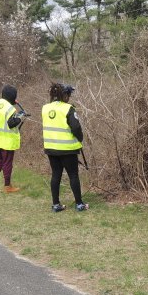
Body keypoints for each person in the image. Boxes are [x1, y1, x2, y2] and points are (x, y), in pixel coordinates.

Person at [42, 83, 88, 212]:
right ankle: (79, 204)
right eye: (69, 95)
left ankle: (56, 205)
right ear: (65, 95)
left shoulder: (45, 108)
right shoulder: (68, 108)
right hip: (67, 148)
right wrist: (80, 138)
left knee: (56, 175)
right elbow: (76, 127)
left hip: (51, 148)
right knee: (73, 175)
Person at [0, 84, 24, 193]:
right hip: (6, 141)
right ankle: (7, 186)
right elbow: (11, 124)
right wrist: (19, 117)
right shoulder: (10, 108)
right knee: (7, 163)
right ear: (13, 97)